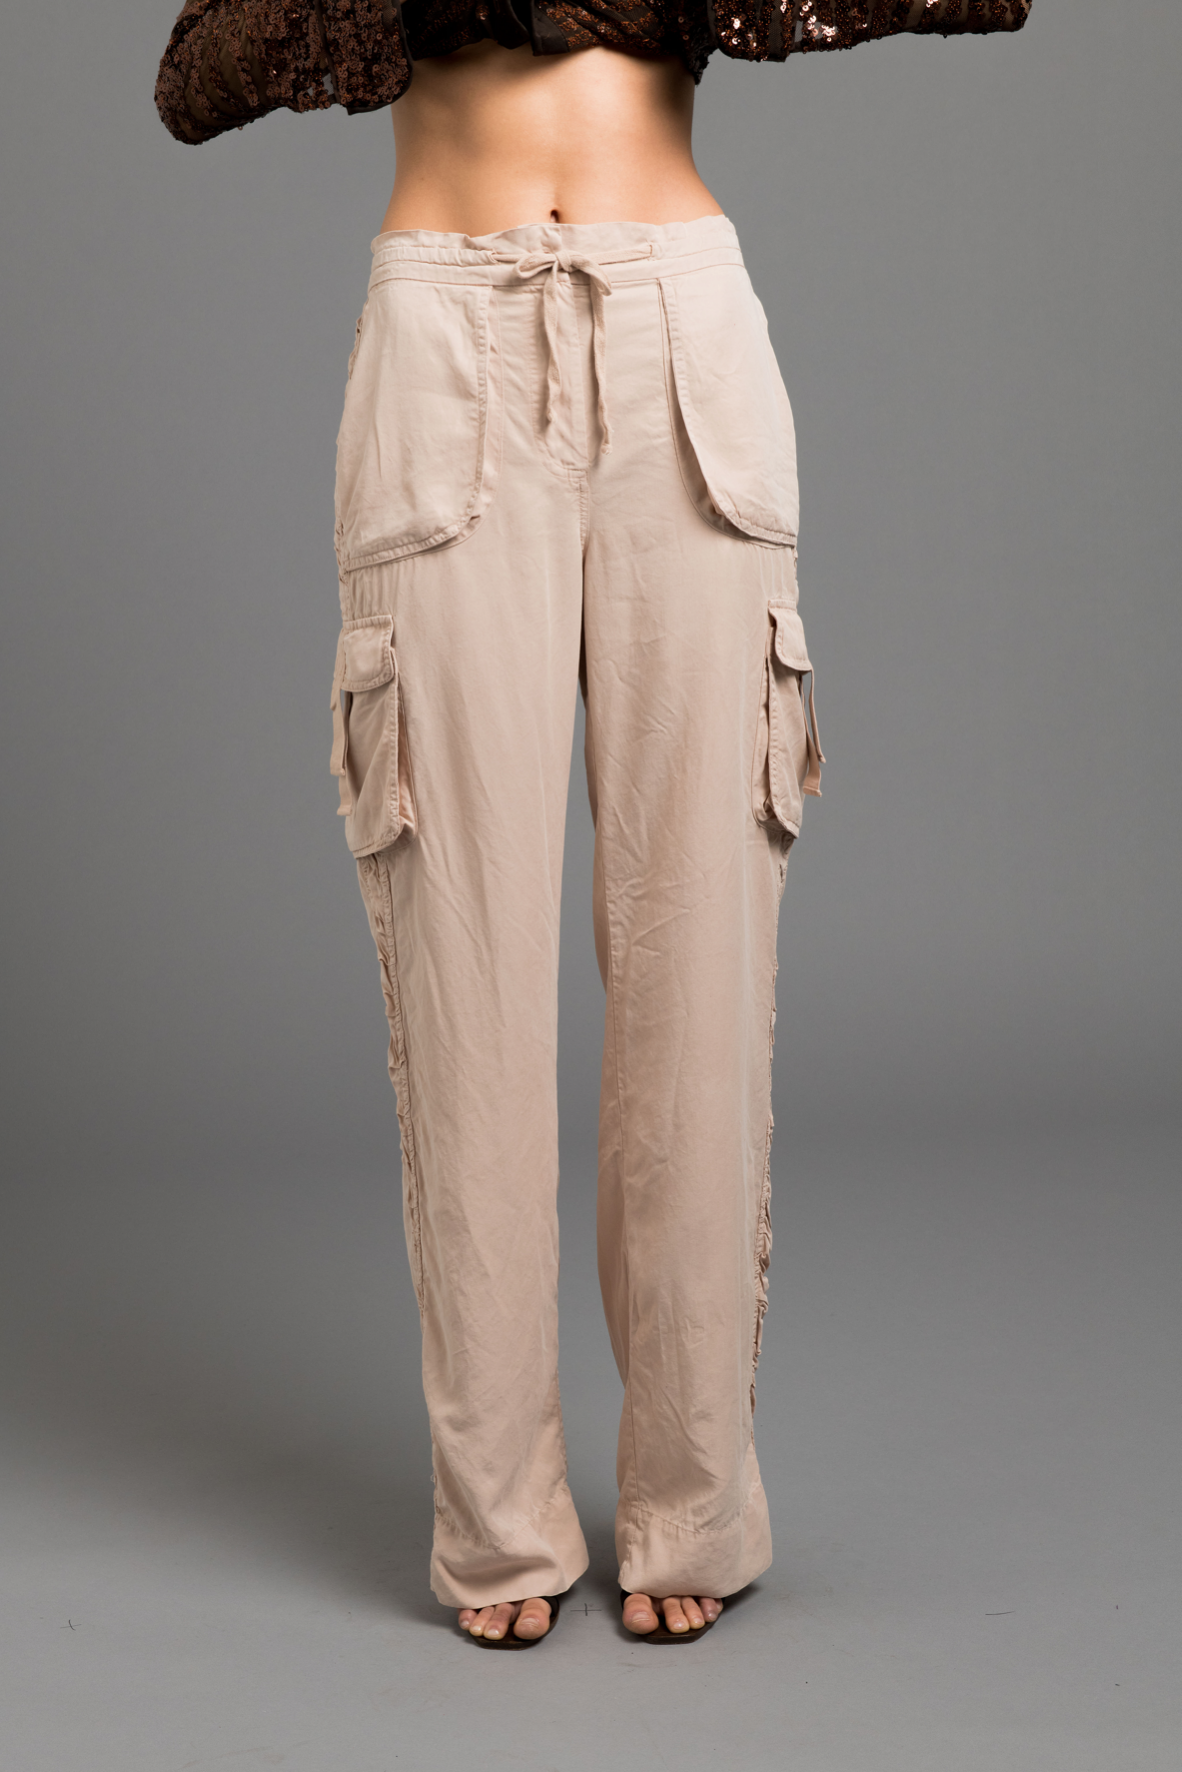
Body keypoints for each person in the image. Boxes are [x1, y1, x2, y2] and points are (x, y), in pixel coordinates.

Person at [156, 0, 1032, 1647]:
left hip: (677, 339)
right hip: (443, 344)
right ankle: (496, 1523)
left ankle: (692, 1499)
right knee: (464, 972)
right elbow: (196, 78)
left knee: (695, 966)